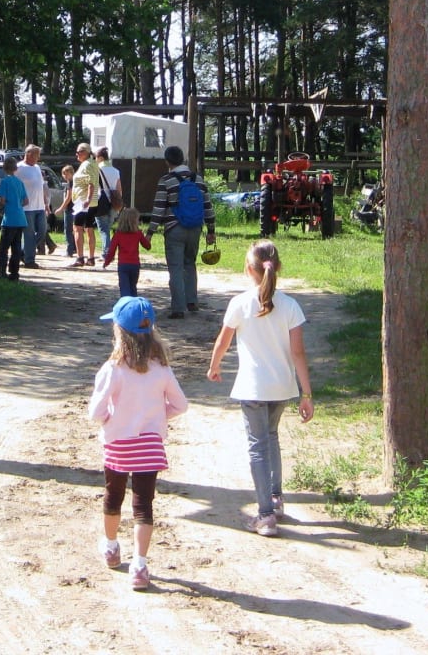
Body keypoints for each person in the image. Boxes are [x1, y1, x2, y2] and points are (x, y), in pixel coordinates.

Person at [205, 239, 315, 538]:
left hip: (253, 387)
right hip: (281, 386)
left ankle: (265, 515)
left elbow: (223, 341)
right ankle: (276, 499)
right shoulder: (290, 305)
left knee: (258, 446)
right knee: (271, 437)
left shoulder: (240, 303)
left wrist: (214, 366)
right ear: (277, 267)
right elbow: (298, 353)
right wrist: (306, 393)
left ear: (248, 269)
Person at [87, 295, 188, 591]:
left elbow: (95, 412)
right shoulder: (162, 368)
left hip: (118, 442)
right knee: (144, 505)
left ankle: (111, 547)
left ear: (118, 331)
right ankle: (140, 565)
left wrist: (110, 419)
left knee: (113, 496)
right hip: (150, 445)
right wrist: (158, 418)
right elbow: (181, 405)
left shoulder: (113, 369)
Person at [145, 144, 217, 318]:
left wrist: (150, 232)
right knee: (190, 264)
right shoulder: (198, 179)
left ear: (167, 161)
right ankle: (192, 301)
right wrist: (211, 230)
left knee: (176, 268)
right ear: (183, 159)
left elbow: (159, 208)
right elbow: (207, 206)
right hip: (195, 228)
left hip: (174, 229)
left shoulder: (166, 180)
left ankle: (178, 308)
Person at [102, 207, 150, 299]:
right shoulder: (138, 233)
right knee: (133, 287)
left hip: (123, 265)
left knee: (124, 288)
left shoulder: (118, 234)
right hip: (135, 264)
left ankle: (126, 304)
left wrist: (107, 262)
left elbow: (111, 250)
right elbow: (147, 246)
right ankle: (134, 305)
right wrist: (147, 237)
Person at [0, 156, 28, 281]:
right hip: (20, 218)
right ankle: (14, 273)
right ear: (15, 168)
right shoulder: (20, 182)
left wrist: (1, 207)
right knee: (16, 247)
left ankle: (1, 271)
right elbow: (26, 201)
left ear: (4, 168)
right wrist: (17, 205)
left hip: (9, 219)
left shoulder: (5, 182)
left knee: (3, 248)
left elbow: (2, 200)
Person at [17, 144, 50, 268]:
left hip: (39, 206)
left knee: (42, 231)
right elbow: (13, 184)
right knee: (29, 234)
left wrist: (46, 203)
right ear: (29, 154)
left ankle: (23, 252)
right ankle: (29, 260)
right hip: (27, 207)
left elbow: (41, 186)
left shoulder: (37, 167)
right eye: (37, 155)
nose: (39, 158)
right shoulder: (19, 167)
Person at [71, 141, 102, 266]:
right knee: (89, 228)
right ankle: (91, 258)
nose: (76, 154)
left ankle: (80, 258)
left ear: (85, 152)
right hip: (92, 203)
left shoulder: (87, 165)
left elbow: (91, 183)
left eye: (79, 152)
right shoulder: (92, 163)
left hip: (83, 203)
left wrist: (87, 199)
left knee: (77, 228)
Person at [95, 146, 124, 257]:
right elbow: (119, 189)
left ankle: (107, 252)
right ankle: (108, 251)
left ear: (101, 158)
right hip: (114, 202)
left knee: (103, 229)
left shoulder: (97, 170)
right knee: (107, 227)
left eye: (96, 157)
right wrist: (119, 203)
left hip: (100, 201)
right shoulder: (116, 171)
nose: (95, 159)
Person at [58, 164, 77, 257]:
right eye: (63, 174)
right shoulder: (75, 182)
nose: (64, 176)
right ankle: (74, 248)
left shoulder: (70, 183)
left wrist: (61, 208)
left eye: (66, 173)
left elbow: (68, 197)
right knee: (74, 229)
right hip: (75, 208)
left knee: (68, 230)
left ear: (71, 173)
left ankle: (69, 250)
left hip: (69, 209)